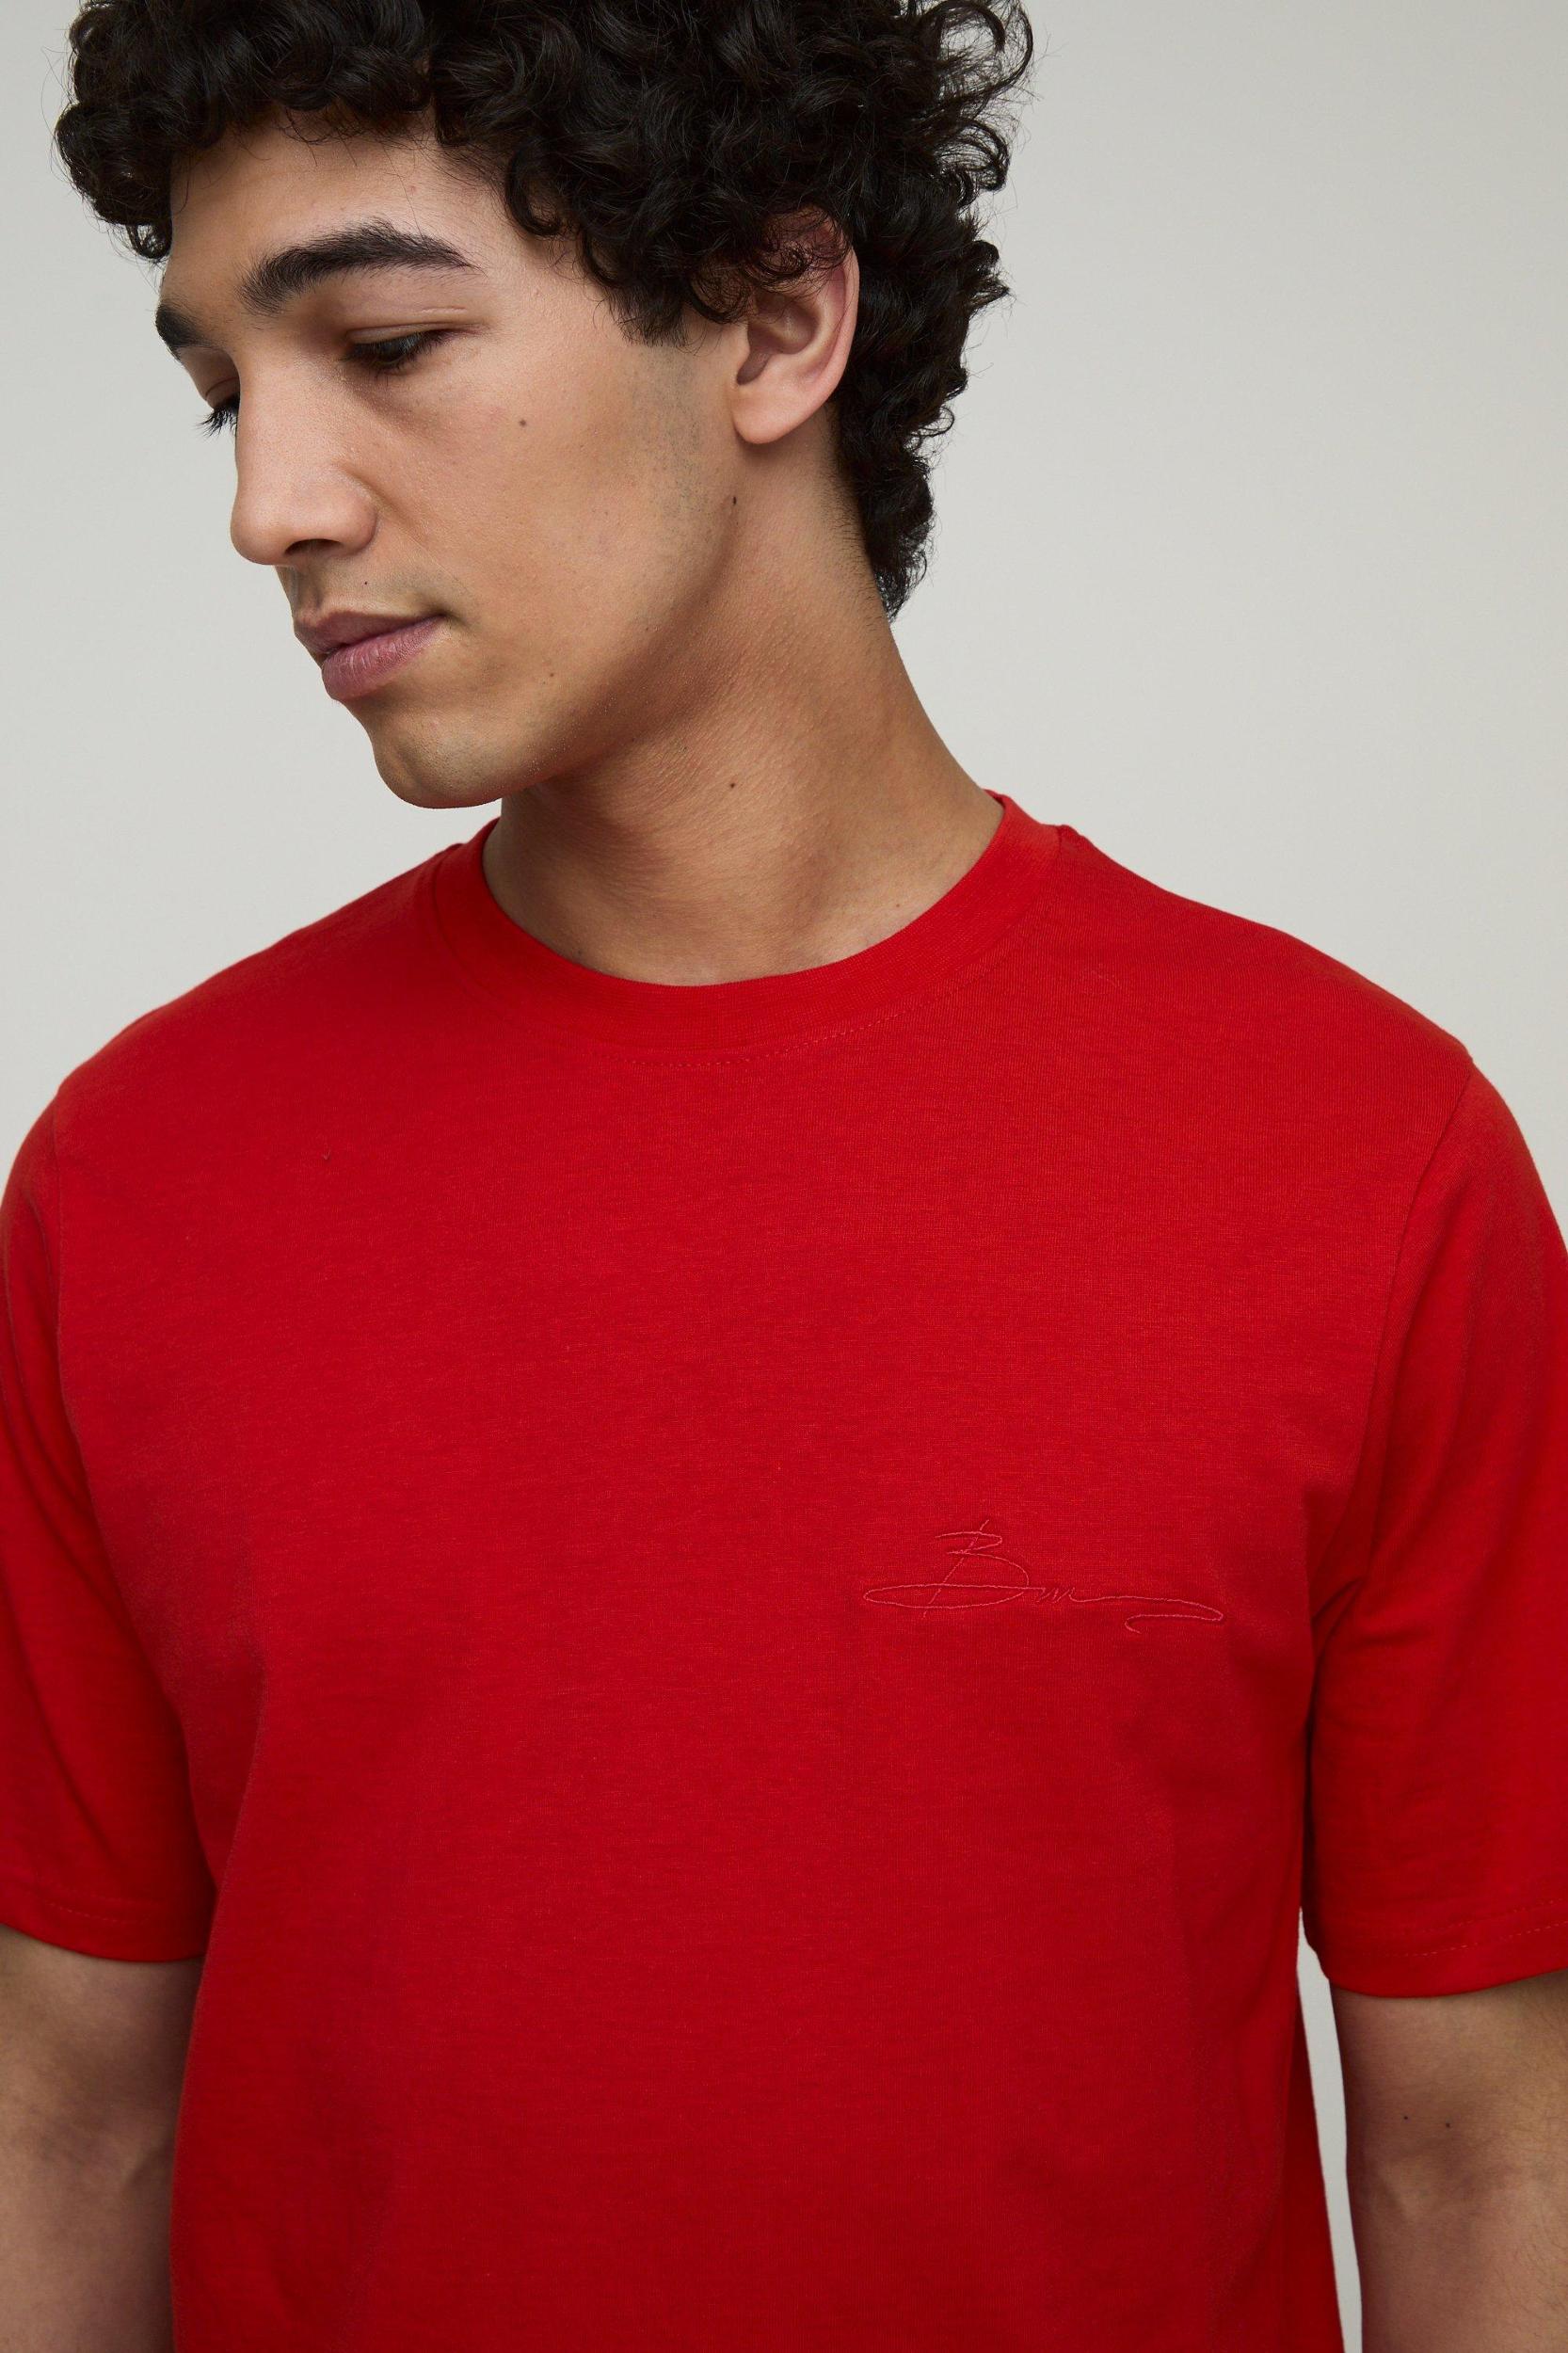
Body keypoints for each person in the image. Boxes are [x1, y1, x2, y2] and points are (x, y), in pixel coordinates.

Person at [4, 4, 1565, 2347]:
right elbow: (66, 2121)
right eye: (225, 390)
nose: (270, 504)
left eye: (386, 345)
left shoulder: (1359, 1159)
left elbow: (1477, 2147)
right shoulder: (132, 1189)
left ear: (769, 316)